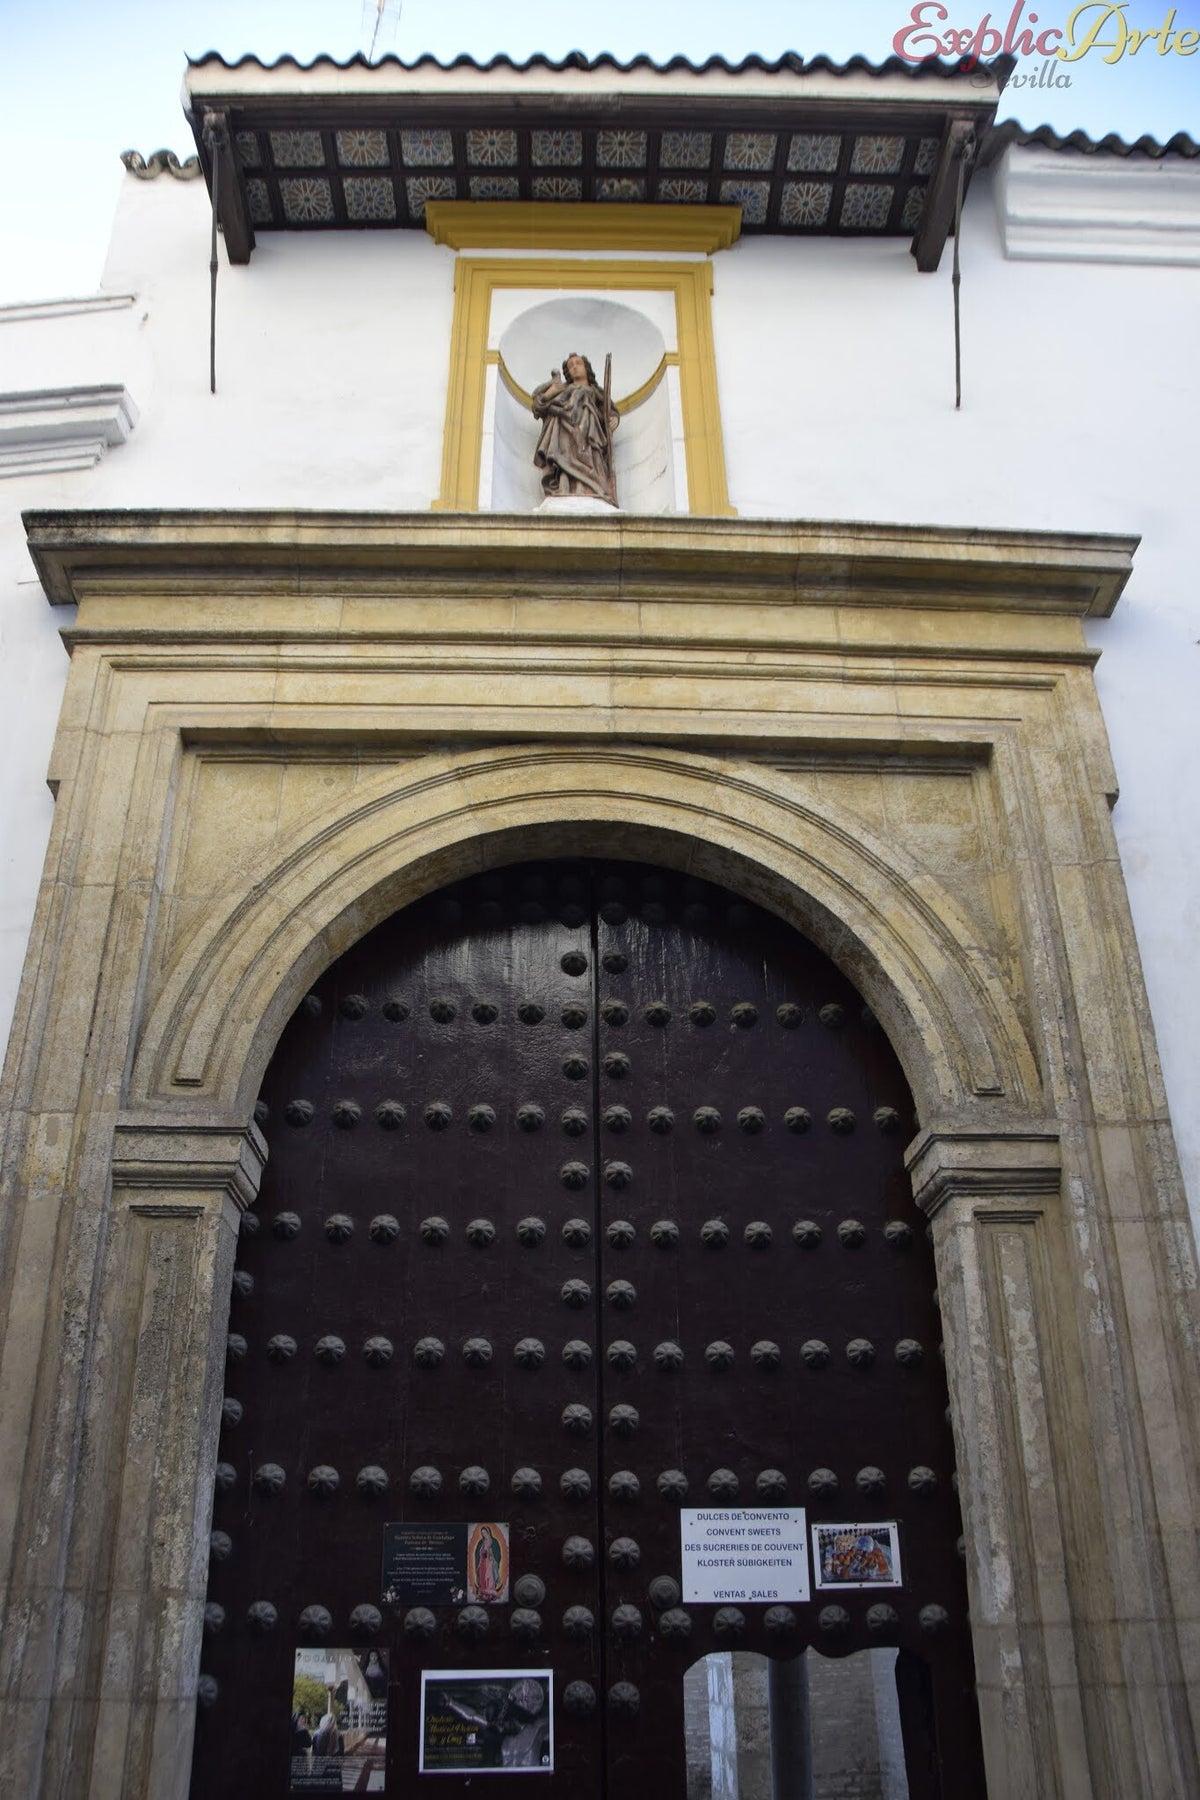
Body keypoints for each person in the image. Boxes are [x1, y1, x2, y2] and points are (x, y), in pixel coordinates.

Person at [531, 352, 618, 504]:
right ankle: (565, 488)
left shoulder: (596, 391)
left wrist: (614, 418)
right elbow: (538, 406)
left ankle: (590, 488)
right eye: (571, 366)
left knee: (591, 457)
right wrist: (549, 393)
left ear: (586, 368)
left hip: (589, 433)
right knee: (564, 458)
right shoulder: (562, 388)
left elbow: (608, 410)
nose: (575, 367)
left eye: (578, 363)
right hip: (564, 429)